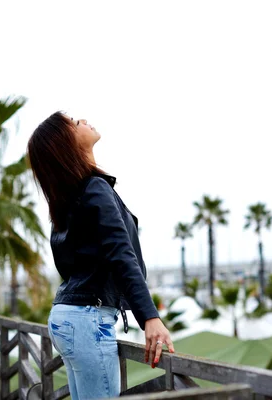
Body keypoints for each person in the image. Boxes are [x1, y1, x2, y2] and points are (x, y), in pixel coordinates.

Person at [27, 112, 174, 399]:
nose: (82, 119)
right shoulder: (94, 188)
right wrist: (150, 318)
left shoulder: (70, 198)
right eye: (72, 122)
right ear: (64, 144)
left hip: (67, 317)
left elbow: (73, 265)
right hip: (86, 319)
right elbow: (121, 255)